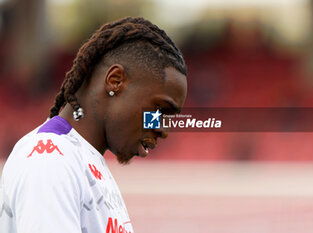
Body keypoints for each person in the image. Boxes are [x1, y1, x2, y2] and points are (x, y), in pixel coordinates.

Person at [0, 17, 187, 233]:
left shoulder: (83, 159)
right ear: (115, 81)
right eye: (159, 109)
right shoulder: (49, 159)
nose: (163, 129)